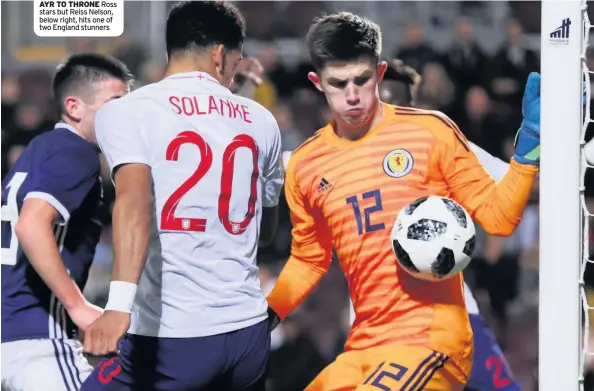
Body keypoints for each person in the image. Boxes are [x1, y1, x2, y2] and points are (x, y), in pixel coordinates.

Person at [267, 12, 539, 391]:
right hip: (363, 347)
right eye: (338, 84)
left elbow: (498, 218)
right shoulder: (306, 165)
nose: (352, 95)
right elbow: (309, 260)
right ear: (317, 82)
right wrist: (268, 314)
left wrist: (525, 157)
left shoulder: (430, 132)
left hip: (431, 337)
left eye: (362, 80)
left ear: (379, 73)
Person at [80, 2, 284, 390]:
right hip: (249, 334)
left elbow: (135, 203)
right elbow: (266, 232)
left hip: (172, 337)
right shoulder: (262, 120)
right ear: (221, 55)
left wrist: (117, 306)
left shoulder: (126, 112)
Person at [378, 60, 521, 391]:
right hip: (383, 323)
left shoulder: (441, 143)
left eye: (396, 104)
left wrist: (541, 150)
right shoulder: (338, 157)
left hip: (452, 312)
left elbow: (509, 179)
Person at [0, 53, 132, 391]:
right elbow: (30, 225)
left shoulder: (38, 147)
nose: (126, 115)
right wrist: (77, 306)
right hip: (38, 338)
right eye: (115, 103)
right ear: (74, 108)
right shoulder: (77, 152)